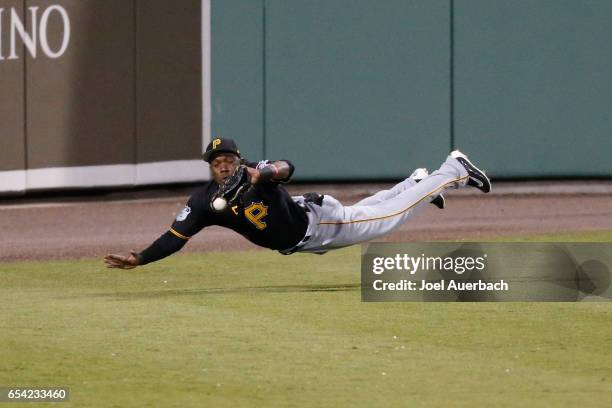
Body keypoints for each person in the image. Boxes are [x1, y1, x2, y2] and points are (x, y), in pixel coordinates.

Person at [104, 138, 490, 269]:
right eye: (216, 162)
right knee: (373, 210)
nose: (223, 166)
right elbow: (176, 236)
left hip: (316, 226)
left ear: (238, 160)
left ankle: (453, 169)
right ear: (209, 166)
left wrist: (263, 174)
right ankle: (418, 181)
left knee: (388, 218)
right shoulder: (204, 201)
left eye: (228, 160)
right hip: (312, 221)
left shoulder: (255, 172)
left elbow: (288, 167)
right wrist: (141, 257)